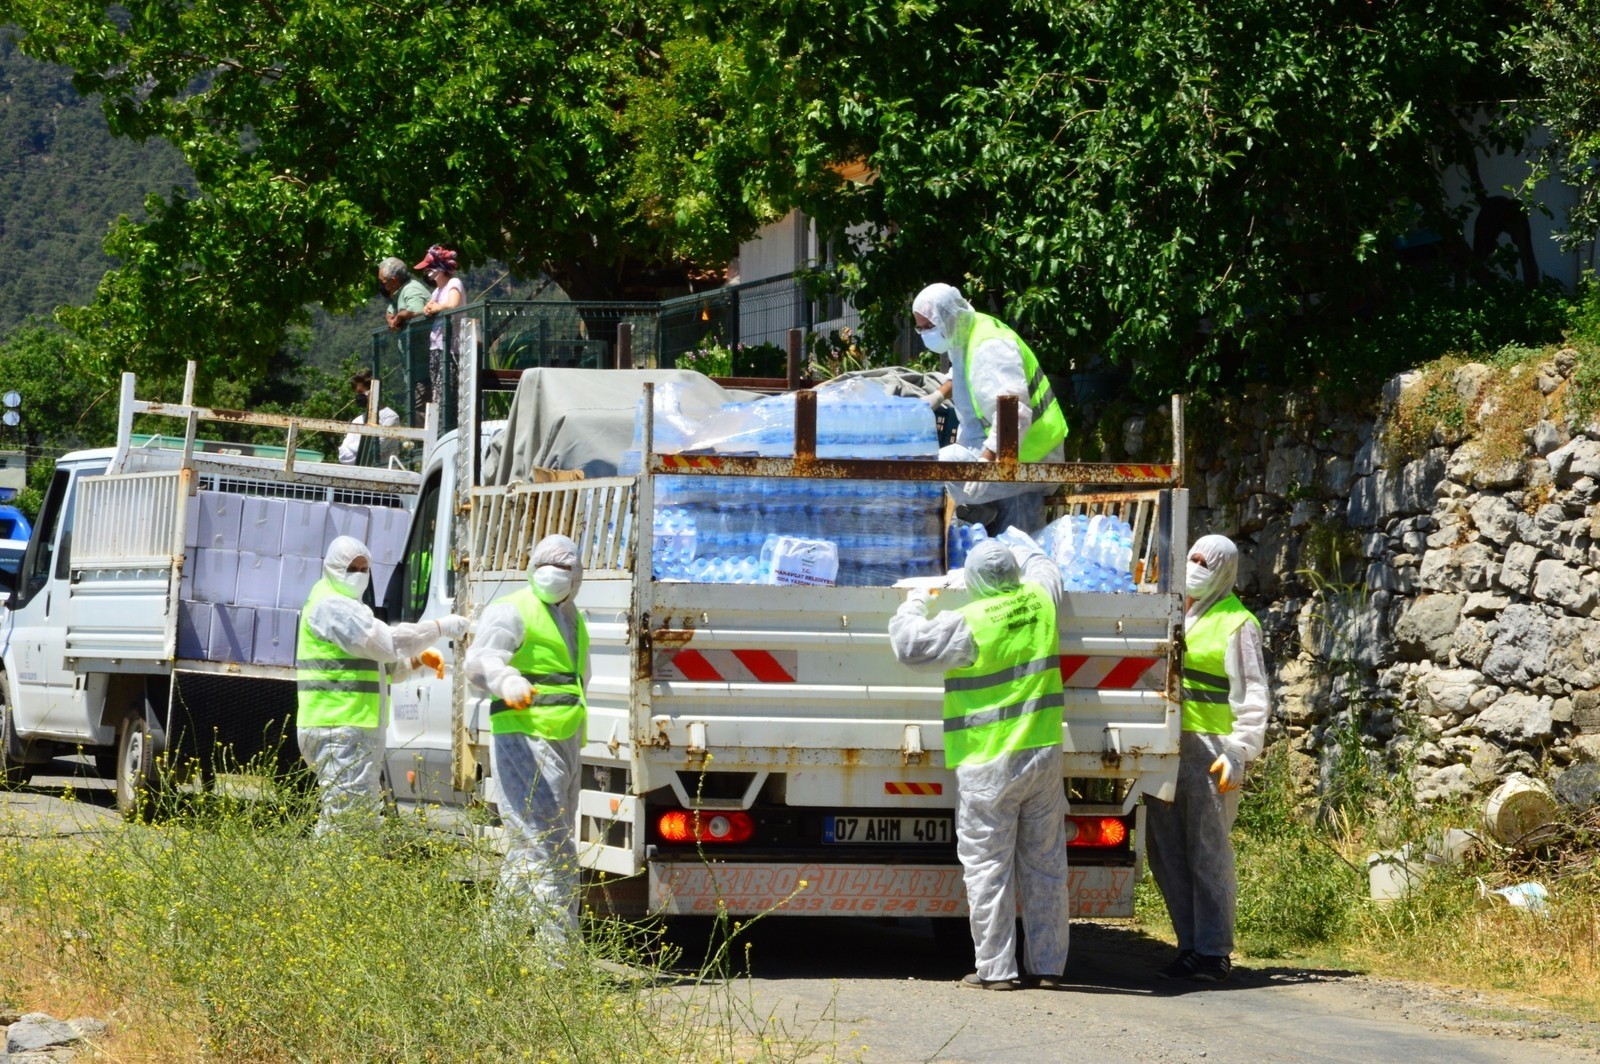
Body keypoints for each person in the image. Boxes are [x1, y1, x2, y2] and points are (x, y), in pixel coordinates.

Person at [888, 537, 1070, 991]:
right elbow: (1044, 564)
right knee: (1046, 865)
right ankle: (1048, 966)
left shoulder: (970, 622)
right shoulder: (1041, 599)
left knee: (988, 868)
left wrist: (915, 600)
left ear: (971, 581)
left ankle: (997, 969)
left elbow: (909, 647)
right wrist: (1015, 542)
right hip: (1042, 755)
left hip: (990, 763)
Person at [1144, 533, 1269, 983]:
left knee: (1207, 850)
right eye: (1192, 557)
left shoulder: (1237, 623)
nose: (1195, 565)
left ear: (1224, 570)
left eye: (1205, 561)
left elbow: (1254, 693)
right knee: (1166, 849)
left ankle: (1214, 950)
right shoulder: (1175, 609)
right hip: (1166, 745)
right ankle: (1190, 945)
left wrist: (1239, 750)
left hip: (1212, 749)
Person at [463, 534, 590, 946]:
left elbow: (576, 681)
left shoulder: (574, 618)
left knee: (529, 846)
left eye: (565, 567)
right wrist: (506, 679)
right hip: (525, 737)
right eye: (545, 566)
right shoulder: (513, 609)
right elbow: (479, 661)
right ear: (531, 567)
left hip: (564, 739)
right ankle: (558, 961)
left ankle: (493, 948)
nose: (554, 575)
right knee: (552, 848)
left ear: (578, 575)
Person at [296, 535, 469, 835]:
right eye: (353, 568)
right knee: (348, 820)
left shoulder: (352, 607)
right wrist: (439, 628)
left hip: (349, 727)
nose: (360, 575)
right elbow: (386, 643)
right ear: (333, 568)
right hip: (339, 726)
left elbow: (385, 668)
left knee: (354, 816)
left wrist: (416, 662)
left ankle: (339, 875)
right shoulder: (331, 606)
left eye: (365, 568)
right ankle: (333, 876)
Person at [912, 283, 1068, 534]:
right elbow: (961, 371)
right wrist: (937, 396)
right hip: (1008, 452)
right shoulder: (963, 332)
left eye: (927, 327)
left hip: (1033, 456)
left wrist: (984, 466)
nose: (923, 334)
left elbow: (1014, 413)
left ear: (946, 318)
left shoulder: (991, 345)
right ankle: (979, 512)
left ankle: (971, 515)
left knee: (939, 469)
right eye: (919, 327)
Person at [416, 245, 465, 408]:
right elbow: (429, 307)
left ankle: (448, 428)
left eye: (430, 267)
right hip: (436, 346)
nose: (427, 272)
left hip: (450, 348)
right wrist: (429, 308)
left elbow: (453, 304)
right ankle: (439, 428)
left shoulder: (454, 283)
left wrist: (437, 307)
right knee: (437, 392)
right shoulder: (437, 290)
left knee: (446, 392)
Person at [338, 370, 402, 466]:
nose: (357, 396)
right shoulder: (357, 420)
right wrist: (360, 449)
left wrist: (353, 448)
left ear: (373, 391)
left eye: (360, 392)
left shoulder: (390, 417)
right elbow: (343, 456)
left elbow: (375, 449)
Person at [378, 257, 430, 333]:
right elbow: (392, 307)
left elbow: (417, 311)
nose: (382, 286)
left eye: (383, 282)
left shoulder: (411, 289)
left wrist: (399, 316)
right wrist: (389, 315)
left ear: (393, 281)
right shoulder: (400, 291)